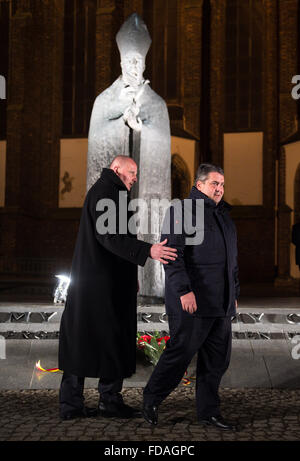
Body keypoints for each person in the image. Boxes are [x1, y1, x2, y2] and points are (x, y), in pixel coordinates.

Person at [58, 155, 177, 420]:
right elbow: (110, 237)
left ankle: (83, 403)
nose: (135, 177)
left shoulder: (111, 192)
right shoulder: (106, 193)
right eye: (131, 172)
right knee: (97, 338)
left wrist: (129, 273)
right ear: (116, 169)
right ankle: (91, 402)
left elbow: (117, 240)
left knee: (97, 338)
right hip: (101, 285)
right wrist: (150, 250)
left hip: (105, 281)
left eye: (136, 173)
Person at [142, 163, 240, 431]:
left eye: (222, 184)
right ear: (199, 185)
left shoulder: (224, 216)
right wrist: (184, 290)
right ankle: (151, 398)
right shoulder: (181, 211)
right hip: (192, 300)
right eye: (214, 184)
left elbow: (232, 262)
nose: (219, 189)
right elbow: (172, 255)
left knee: (217, 360)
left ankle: (208, 412)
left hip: (220, 302)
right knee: (180, 354)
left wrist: (234, 294)